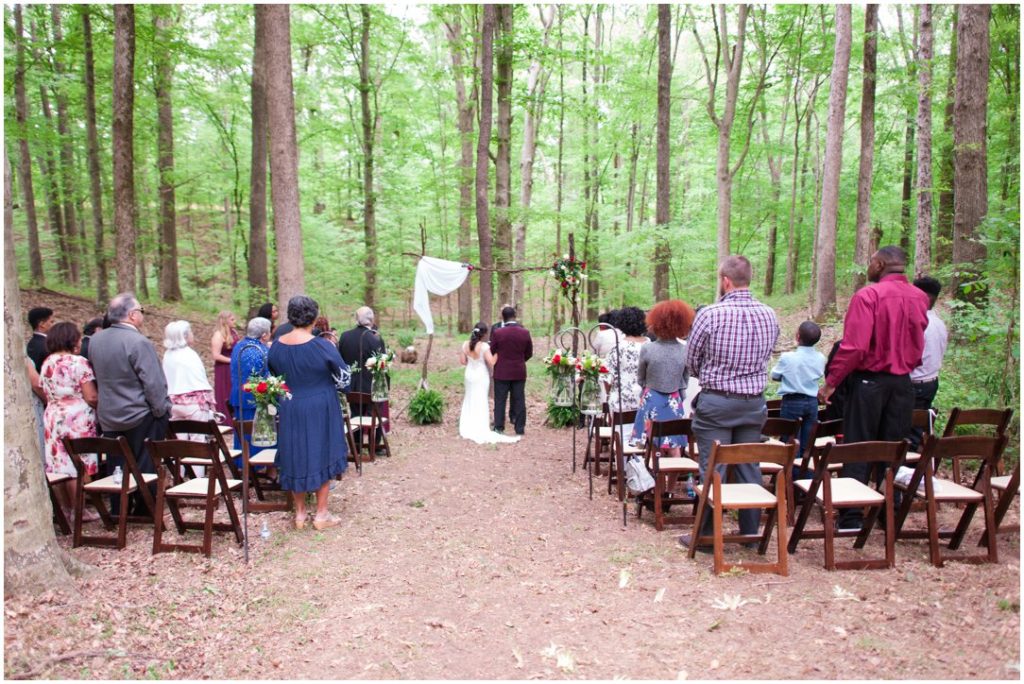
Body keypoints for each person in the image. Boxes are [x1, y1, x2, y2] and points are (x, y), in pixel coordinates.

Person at [820, 246, 929, 532]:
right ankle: (888, 513)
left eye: (870, 261)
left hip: (869, 382)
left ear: (879, 264)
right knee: (893, 449)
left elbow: (854, 346)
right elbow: (919, 341)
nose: (868, 266)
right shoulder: (919, 297)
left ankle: (852, 517)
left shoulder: (868, 296)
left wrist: (832, 382)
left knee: (858, 446)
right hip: (904, 384)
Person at [683, 255, 779, 550]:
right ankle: (750, 534)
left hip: (717, 402)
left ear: (725, 281)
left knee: (712, 467)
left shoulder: (710, 315)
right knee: (749, 463)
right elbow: (769, 354)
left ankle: (709, 536)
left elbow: (692, 360)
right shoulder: (770, 314)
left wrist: (711, 376)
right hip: (753, 402)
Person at [268, 295, 349, 531]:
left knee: (295, 451)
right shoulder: (322, 345)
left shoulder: (276, 346)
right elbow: (344, 378)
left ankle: (300, 513)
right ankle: (321, 514)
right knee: (322, 450)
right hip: (320, 403)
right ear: (313, 317)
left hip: (291, 404)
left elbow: (274, 376)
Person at [86, 293, 171, 515]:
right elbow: (152, 381)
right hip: (139, 412)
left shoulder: (96, 340)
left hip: (109, 414)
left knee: (117, 463)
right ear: (133, 315)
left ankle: (119, 508)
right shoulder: (138, 341)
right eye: (141, 311)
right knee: (145, 463)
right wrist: (160, 411)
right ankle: (145, 509)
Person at [40, 322, 101, 524]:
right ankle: (80, 511)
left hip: (53, 414)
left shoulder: (47, 362)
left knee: (59, 465)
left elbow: (43, 388)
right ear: (71, 339)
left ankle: (64, 510)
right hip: (76, 418)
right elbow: (91, 396)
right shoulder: (78, 362)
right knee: (77, 465)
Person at [630, 300, 693, 456]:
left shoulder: (648, 348)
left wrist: (648, 386)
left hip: (651, 398)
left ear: (655, 323)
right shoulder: (685, 349)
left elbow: (640, 377)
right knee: (674, 444)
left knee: (650, 444)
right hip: (674, 399)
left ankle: (653, 478)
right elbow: (685, 378)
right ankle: (673, 477)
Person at [770, 321, 826, 474]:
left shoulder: (788, 357)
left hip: (792, 401)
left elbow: (775, 375)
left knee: (789, 439)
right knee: (807, 442)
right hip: (812, 402)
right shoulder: (820, 357)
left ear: (797, 336)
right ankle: (804, 476)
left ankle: (788, 476)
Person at [458, 323, 520, 445]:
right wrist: (498, 352)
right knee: (480, 399)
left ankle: (468, 425)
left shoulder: (465, 344)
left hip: (469, 374)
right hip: (481, 375)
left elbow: (463, 362)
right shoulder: (484, 346)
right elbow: (492, 362)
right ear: (484, 334)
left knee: (469, 398)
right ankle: (479, 426)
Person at [338, 306, 388, 453]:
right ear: (371, 320)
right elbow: (382, 361)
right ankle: (376, 445)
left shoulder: (345, 336)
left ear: (356, 319)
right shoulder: (375, 337)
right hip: (371, 384)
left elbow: (341, 358)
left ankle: (357, 446)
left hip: (352, 385)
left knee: (355, 414)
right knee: (376, 412)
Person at [908, 276, 948, 449]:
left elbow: (912, 358)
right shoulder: (940, 324)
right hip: (930, 382)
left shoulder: (920, 323)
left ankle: (904, 469)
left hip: (914, 383)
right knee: (916, 428)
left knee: (905, 430)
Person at [230, 317, 273, 463]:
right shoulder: (262, 350)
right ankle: (261, 465)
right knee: (260, 435)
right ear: (264, 335)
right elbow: (269, 375)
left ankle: (243, 465)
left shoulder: (238, 346)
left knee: (243, 434)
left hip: (239, 397)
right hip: (257, 398)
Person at [489, 305, 533, 436]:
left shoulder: (498, 333)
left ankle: (499, 427)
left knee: (500, 400)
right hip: (519, 371)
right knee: (519, 399)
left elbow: (492, 350)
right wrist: (519, 360)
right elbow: (529, 352)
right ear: (515, 316)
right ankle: (519, 428)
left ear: (503, 317)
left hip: (501, 372)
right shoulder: (525, 332)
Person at [162, 320, 216, 424]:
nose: (192, 334)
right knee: (198, 438)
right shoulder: (190, 354)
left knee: (179, 439)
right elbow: (200, 380)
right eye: (190, 331)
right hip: (194, 404)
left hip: (173, 402)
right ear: (185, 336)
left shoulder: (167, 355)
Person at [605, 307, 649, 417]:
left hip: (622, 403)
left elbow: (608, 379)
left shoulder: (617, 348)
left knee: (622, 433)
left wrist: (608, 393)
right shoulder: (651, 346)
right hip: (647, 400)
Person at [211, 311, 239, 422]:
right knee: (225, 392)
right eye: (232, 319)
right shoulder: (218, 335)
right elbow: (216, 355)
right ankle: (225, 420)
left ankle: (235, 418)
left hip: (233, 368)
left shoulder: (234, 332)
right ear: (225, 321)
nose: (234, 321)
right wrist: (231, 360)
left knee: (233, 390)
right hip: (223, 368)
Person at [26, 306, 54, 372]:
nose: (53, 325)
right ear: (42, 324)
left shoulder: (31, 343)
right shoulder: (48, 345)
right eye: (51, 322)